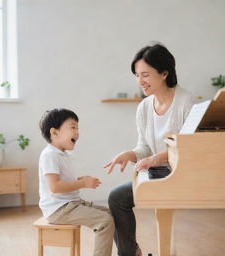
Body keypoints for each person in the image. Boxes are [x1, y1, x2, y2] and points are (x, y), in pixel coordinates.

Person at [103, 43, 197, 256]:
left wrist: (157, 159)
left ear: (164, 73)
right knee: (116, 198)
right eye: (137, 75)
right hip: (157, 173)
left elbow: (190, 148)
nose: (140, 81)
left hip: (181, 175)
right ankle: (130, 253)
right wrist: (129, 155)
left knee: (118, 199)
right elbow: (144, 147)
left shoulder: (186, 101)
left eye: (145, 74)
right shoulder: (144, 107)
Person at [39, 108, 114, 256]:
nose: (77, 132)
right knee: (105, 221)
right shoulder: (50, 155)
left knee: (111, 214)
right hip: (58, 210)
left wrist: (81, 180)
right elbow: (55, 187)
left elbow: (63, 181)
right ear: (54, 133)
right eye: (73, 127)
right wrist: (83, 183)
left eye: (77, 128)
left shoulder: (63, 154)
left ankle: (128, 251)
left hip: (71, 205)